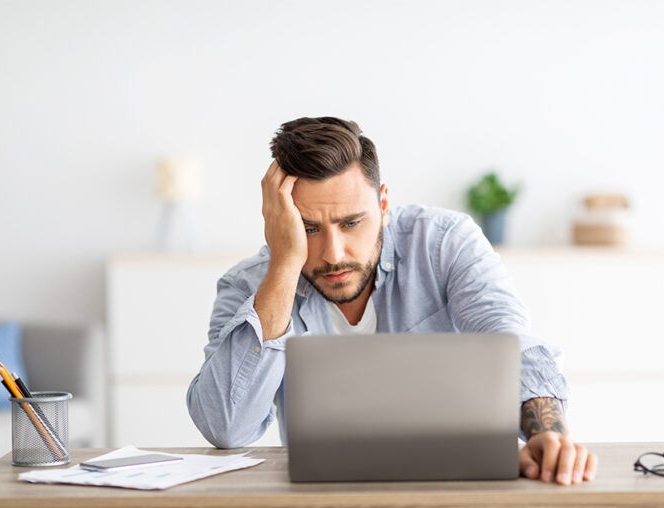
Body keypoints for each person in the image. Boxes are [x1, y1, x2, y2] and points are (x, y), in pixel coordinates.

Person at [187, 116, 597, 485]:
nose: (333, 253)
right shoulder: (250, 287)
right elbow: (226, 427)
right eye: (309, 229)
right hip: (322, 506)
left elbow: (510, 341)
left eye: (351, 223)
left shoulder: (444, 242)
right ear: (279, 223)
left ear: (383, 205)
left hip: (458, 493)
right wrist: (284, 265)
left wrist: (548, 433)